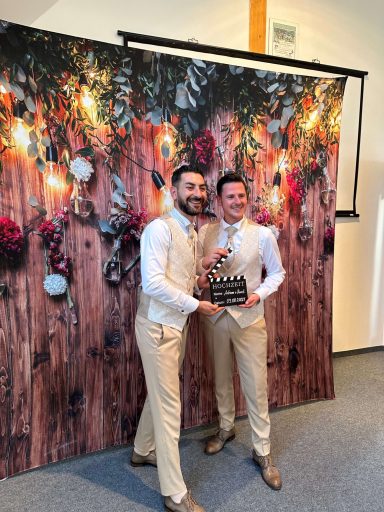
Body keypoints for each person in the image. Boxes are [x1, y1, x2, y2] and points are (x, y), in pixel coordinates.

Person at [131, 165, 221, 512]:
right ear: (173, 191)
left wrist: (205, 267)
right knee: (170, 406)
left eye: (201, 187)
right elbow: (152, 283)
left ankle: (142, 451)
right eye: (189, 187)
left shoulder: (191, 232)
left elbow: (187, 274)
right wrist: (196, 305)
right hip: (157, 327)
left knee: (160, 392)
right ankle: (175, 494)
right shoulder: (159, 229)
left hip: (175, 325)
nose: (197, 193)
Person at [197, 172, 285, 491]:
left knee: (255, 385)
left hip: (250, 319)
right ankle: (225, 428)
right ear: (219, 201)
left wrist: (258, 294)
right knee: (220, 377)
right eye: (230, 196)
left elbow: (277, 273)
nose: (237, 201)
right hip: (215, 317)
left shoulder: (262, 235)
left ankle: (262, 451)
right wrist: (202, 275)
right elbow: (199, 277)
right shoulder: (206, 233)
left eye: (241, 195)